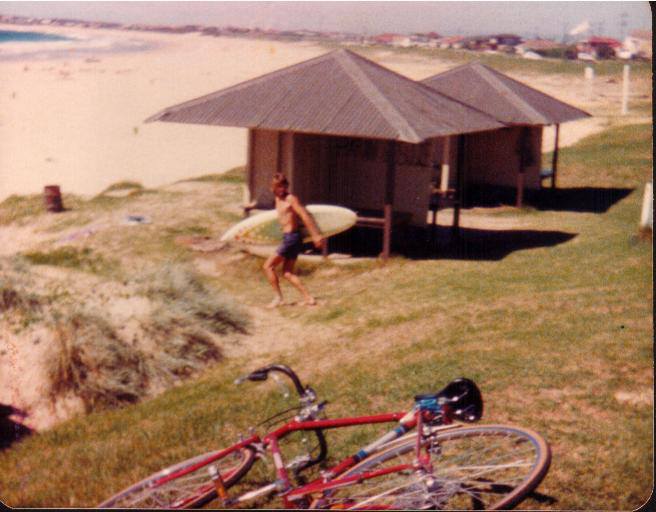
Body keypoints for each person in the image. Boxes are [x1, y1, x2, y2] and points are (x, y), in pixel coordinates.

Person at [263, 173, 324, 308]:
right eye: (279, 186)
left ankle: (279, 298)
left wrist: (315, 235)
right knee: (287, 273)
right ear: (273, 187)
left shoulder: (291, 199)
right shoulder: (277, 199)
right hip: (289, 238)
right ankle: (309, 298)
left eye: (284, 186)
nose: (282, 189)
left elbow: (304, 215)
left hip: (291, 238)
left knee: (268, 266)